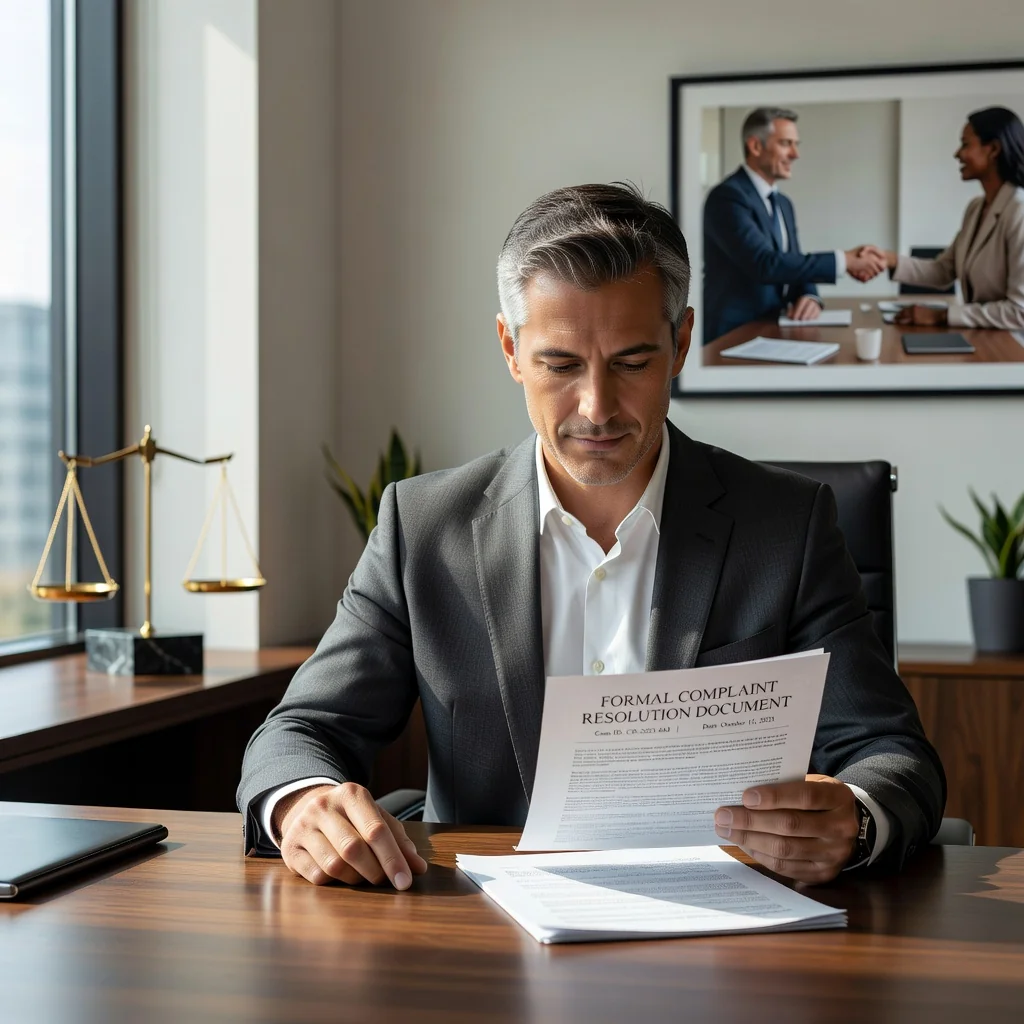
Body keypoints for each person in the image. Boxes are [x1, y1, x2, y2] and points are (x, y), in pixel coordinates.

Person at [237, 183, 944, 891]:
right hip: (484, 938)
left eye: (633, 363)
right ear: (511, 348)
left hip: (727, 935)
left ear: (682, 342)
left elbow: (890, 753)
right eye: (561, 365)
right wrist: (301, 803)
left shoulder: (787, 527)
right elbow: (299, 733)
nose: (597, 407)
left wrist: (853, 818)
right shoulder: (422, 527)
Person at [702, 107, 886, 344]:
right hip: (731, 334)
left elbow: (793, 261)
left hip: (773, 327)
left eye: (796, 144)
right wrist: (845, 260)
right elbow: (764, 263)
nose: (795, 154)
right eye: (786, 143)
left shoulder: (783, 204)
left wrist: (809, 295)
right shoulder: (727, 197)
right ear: (756, 146)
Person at [867, 107, 1024, 329]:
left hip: (1013, 348)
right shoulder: (976, 208)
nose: (957, 154)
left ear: (994, 149)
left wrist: (940, 316)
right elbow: (944, 271)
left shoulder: (1019, 211)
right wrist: (888, 259)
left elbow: (1020, 312)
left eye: (966, 144)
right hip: (984, 338)